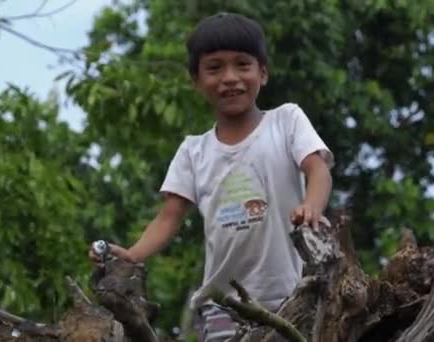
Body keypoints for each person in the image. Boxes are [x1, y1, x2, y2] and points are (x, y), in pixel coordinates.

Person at [89, 12, 333, 341]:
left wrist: (312, 206)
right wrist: (133, 255)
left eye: (242, 65)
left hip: (294, 296)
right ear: (196, 80)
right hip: (223, 304)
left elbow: (317, 169)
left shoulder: (286, 121)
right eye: (215, 68)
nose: (229, 77)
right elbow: (168, 216)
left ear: (263, 72)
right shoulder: (194, 151)